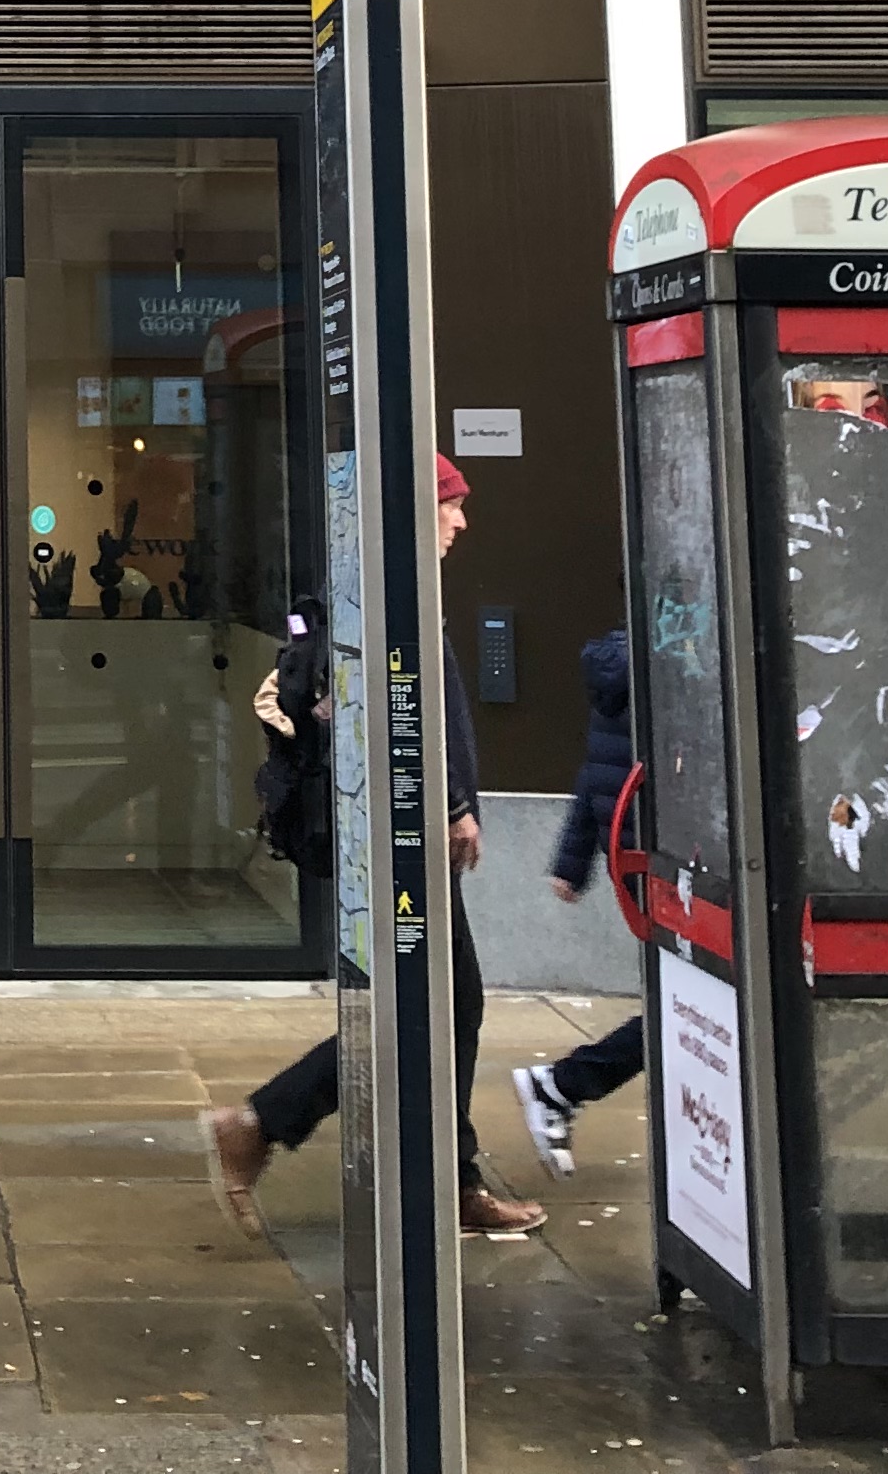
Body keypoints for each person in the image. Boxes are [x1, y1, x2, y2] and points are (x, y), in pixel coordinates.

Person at [209, 456, 544, 1236]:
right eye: (450, 506)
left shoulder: (391, 591)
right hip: (406, 834)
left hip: (405, 831)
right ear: (412, 511)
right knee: (435, 1005)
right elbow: (402, 716)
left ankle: (436, 1173)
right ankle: (262, 1123)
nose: (462, 523)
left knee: (439, 1003)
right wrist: (454, 805)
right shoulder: (386, 600)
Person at [513, 626, 646, 1178]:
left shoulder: (620, 666)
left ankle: (562, 1085)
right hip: (673, 858)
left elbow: (596, 774)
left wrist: (574, 862)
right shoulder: (669, 664)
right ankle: (562, 1084)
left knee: (692, 1002)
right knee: (700, 1004)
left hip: (639, 856)